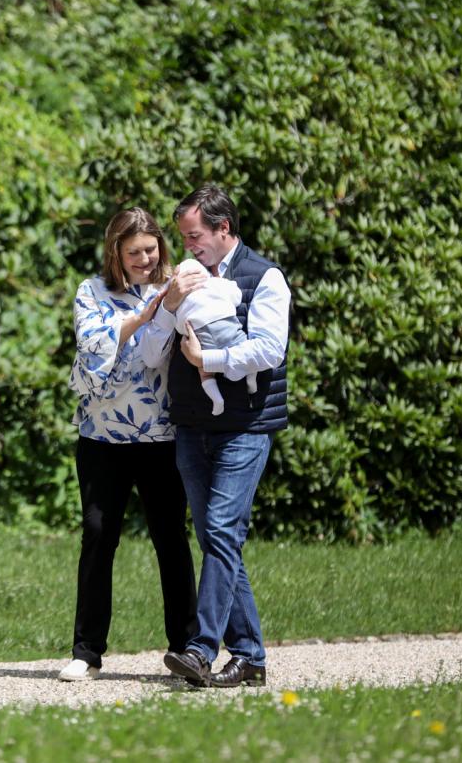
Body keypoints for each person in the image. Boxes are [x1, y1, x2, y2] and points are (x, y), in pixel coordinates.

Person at [140, 184, 290, 688]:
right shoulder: (182, 280)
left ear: (224, 229)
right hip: (190, 428)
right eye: (183, 237)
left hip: (244, 428)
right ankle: (249, 657)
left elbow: (270, 349)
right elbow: (149, 354)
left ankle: (201, 650)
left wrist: (213, 361)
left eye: (195, 236)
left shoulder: (264, 277)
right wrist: (167, 306)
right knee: (215, 539)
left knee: (222, 534)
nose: (188, 247)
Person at [59, 207, 198, 682]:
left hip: (162, 436)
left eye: (151, 248)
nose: (145, 258)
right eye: (134, 251)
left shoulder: (173, 284)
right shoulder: (90, 291)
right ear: (115, 252)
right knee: (99, 537)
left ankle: (186, 649)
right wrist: (140, 318)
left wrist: (168, 304)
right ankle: (87, 652)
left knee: (171, 541)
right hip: (103, 438)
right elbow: (91, 341)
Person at [171, 257, 256, 416]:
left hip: (204, 338)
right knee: (247, 351)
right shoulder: (213, 283)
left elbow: (180, 326)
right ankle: (251, 378)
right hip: (228, 327)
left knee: (205, 372)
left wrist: (186, 332)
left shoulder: (181, 302)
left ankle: (217, 400)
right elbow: (236, 295)